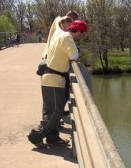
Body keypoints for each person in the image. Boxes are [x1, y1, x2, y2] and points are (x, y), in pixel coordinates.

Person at [27, 20, 87, 148]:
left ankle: (52, 137)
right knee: (57, 111)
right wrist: (76, 50)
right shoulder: (67, 37)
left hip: (48, 77)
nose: (82, 37)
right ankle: (36, 135)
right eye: (82, 34)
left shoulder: (60, 35)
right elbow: (74, 56)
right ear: (79, 32)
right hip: (54, 79)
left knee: (49, 111)